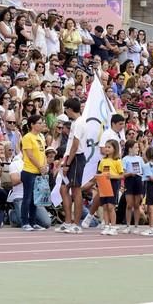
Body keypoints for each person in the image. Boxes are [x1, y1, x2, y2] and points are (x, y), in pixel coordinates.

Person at [56, 98, 86, 234]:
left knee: (76, 190)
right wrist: (65, 159)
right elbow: (70, 145)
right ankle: (68, 221)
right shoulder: (75, 122)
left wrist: (68, 163)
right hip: (70, 158)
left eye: (65, 108)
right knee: (63, 189)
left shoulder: (79, 123)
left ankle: (76, 223)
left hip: (77, 158)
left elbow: (75, 145)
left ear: (69, 109)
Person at [20, 115, 48, 231]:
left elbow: (43, 154)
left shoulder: (41, 137)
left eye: (42, 123)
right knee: (27, 198)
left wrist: (45, 166)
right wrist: (40, 166)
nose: (41, 125)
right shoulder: (27, 137)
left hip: (38, 172)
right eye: (39, 123)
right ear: (32, 124)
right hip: (29, 171)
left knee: (35, 199)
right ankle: (24, 222)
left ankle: (33, 222)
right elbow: (30, 155)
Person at [97, 140, 124, 236]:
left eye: (109, 147)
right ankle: (106, 225)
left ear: (115, 149)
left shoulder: (117, 161)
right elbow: (100, 172)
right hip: (104, 184)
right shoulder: (102, 161)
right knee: (104, 206)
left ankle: (113, 226)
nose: (106, 149)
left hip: (113, 183)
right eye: (106, 147)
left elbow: (121, 175)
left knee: (110, 206)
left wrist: (112, 176)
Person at [121, 139, 144, 234]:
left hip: (138, 180)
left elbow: (143, 170)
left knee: (137, 205)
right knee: (129, 204)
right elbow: (123, 173)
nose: (138, 149)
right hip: (129, 180)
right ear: (130, 148)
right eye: (136, 147)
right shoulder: (125, 159)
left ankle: (136, 226)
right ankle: (127, 225)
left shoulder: (140, 159)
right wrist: (130, 173)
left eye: (138, 147)